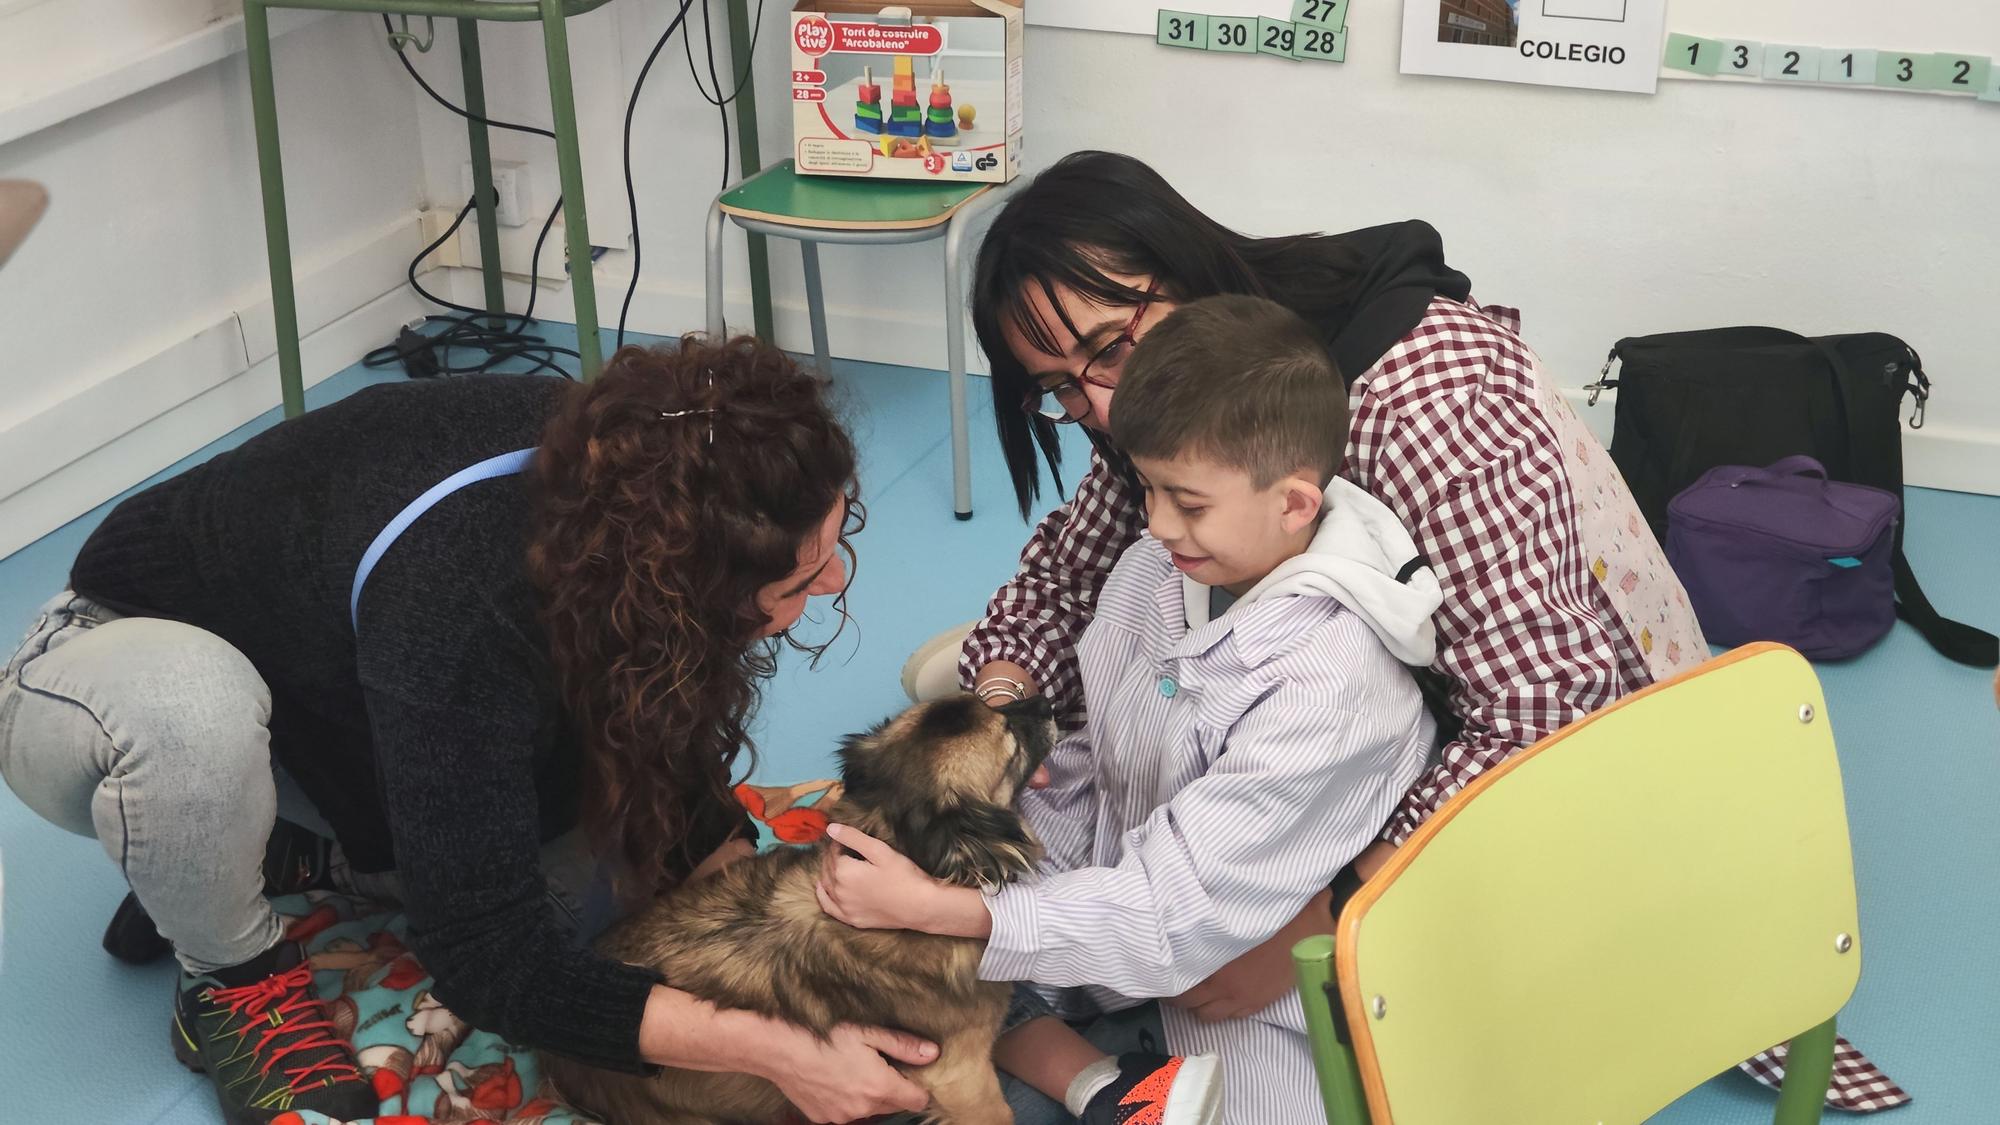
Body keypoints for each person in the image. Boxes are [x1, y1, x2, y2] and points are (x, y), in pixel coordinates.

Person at [0, 337, 940, 1125]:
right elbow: (487, 956)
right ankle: (228, 974)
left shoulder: (646, 491)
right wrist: (778, 1046)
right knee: (194, 713)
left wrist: (742, 895)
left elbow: (651, 715)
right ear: (693, 589)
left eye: (836, 539)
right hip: (108, 663)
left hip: (327, 704)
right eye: (798, 581)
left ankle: (285, 848)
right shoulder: (463, 601)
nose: (833, 586)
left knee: (593, 903)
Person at [823, 295, 1444, 1123]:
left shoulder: (1329, 686)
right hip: (1117, 919)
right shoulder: (1167, 567)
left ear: (1295, 504)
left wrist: (956, 911)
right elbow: (1106, 757)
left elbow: (1174, 912)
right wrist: (967, 833)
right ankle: (1094, 1079)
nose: (1153, 524)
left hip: (1236, 972)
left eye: (1185, 502)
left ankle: (1090, 1076)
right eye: (1147, 488)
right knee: (882, 979)